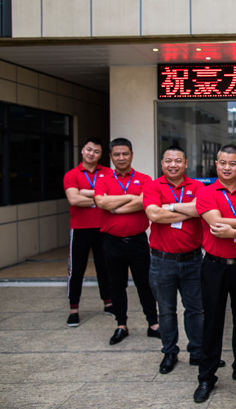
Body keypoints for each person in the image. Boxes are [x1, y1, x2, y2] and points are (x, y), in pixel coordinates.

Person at [193, 145, 236, 404]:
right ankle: (206, 377)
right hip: (214, 267)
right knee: (212, 322)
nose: (227, 167)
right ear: (216, 165)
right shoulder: (205, 193)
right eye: (222, 163)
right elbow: (216, 224)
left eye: (232, 163)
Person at [143, 146, 204, 374]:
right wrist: (187, 210)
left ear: (186, 163)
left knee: (195, 309)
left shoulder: (197, 186)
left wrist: (168, 207)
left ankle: (197, 352)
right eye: (168, 160)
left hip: (193, 260)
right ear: (162, 164)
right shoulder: (152, 186)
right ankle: (169, 352)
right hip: (162, 261)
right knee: (166, 310)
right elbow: (154, 214)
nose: (173, 165)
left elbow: (199, 210)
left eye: (178, 160)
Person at [94, 138, 160, 345]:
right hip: (112, 242)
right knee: (116, 285)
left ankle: (153, 324)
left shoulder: (144, 178)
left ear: (131, 155)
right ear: (110, 156)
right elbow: (100, 202)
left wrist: (115, 207)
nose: (121, 158)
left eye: (125, 154)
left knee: (145, 284)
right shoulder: (103, 178)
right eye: (117, 154)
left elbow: (144, 201)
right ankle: (121, 324)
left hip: (138, 241)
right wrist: (131, 197)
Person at [63, 138, 113, 326]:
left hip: (104, 227)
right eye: (89, 150)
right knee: (76, 270)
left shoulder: (108, 173)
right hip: (80, 229)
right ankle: (73, 309)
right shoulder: (71, 175)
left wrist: (85, 192)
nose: (92, 154)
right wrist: (100, 198)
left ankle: (108, 303)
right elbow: (74, 200)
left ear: (101, 155)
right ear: (82, 150)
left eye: (96, 151)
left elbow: (114, 195)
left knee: (105, 268)